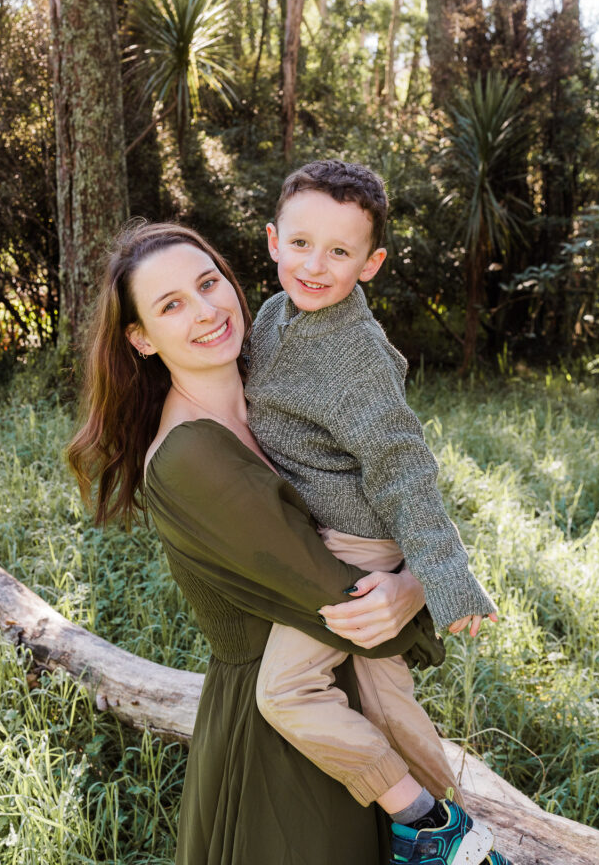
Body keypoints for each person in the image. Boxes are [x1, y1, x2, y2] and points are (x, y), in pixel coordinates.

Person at [67, 219, 446, 865]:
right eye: (171, 305)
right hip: (282, 749)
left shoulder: (277, 395)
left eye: (208, 283)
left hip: (349, 714)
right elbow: (348, 601)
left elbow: (395, 481)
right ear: (141, 339)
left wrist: (414, 577)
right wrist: (419, 578)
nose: (207, 311)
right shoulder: (189, 458)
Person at [245, 160, 511, 865]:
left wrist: (443, 574)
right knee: (388, 698)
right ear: (273, 240)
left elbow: (403, 470)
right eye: (300, 243)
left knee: (287, 692)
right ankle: (467, 844)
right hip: (312, 527)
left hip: (354, 537)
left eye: (339, 252)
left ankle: (424, 819)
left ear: (371, 264)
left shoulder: (357, 356)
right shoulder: (271, 316)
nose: (314, 264)